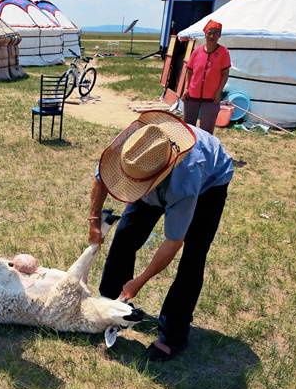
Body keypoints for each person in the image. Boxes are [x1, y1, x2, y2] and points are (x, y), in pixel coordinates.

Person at [88, 110, 234, 361]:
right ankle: (111, 307)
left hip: (210, 183)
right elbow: (101, 179)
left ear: (156, 178)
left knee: (193, 257)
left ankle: (173, 335)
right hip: (157, 175)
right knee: (124, 237)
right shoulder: (135, 148)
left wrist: (139, 282)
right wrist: (94, 221)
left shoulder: (186, 179)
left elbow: (173, 241)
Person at [180, 20, 231, 134]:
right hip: (192, 94)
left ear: (219, 35)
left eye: (216, 33)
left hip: (211, 97)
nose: (212, 36)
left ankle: (204, 150)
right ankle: (189, 151)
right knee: (188, 128)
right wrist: (187, 89)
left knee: (206, 130)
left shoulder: (223, 52)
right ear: (205, 33)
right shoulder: (197, 52)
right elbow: (189, 70)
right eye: (210, 32)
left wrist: (219, 92)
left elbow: (225, 74)